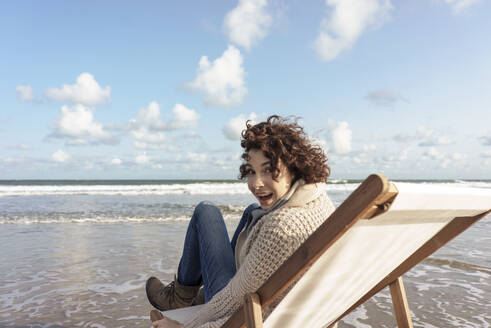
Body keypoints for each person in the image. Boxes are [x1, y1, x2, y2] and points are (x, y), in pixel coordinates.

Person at [147, 115, 335, 328]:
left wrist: (185, 326)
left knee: (206, 211)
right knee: (252, 210)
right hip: (290, 303)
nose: (256, 183)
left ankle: (180, 296)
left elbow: (234, 301)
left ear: (294, 167)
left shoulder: (282, 227)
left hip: (242, 304)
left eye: (268, 170)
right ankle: (193, 295)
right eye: (251, 172)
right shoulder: (319, 200)